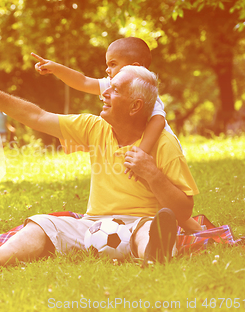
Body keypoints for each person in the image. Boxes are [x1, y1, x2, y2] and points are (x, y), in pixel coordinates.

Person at [0, 65, 200, 271]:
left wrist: (153, 174)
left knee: (147, 231)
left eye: (115, 89)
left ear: (135, 106)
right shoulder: (94, 127)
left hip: (140, 224)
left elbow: (184, 210)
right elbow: (37, 116)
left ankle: (155, 252)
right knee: (43, 224)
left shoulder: (165, 145)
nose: (104, 93)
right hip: (93, 227)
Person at [32, 37, 201, 234]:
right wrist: (56, 68)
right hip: (138, 149)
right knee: (151, 194)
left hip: (154, 148)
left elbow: (158, 122)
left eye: (113, 64)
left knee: (158, 193)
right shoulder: (112, 85)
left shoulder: (144, 92)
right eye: (107, 64)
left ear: (134, 66)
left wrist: (141, 153)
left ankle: (194, 228)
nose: (107, 70)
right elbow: (83, 81)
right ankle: (190, 227)